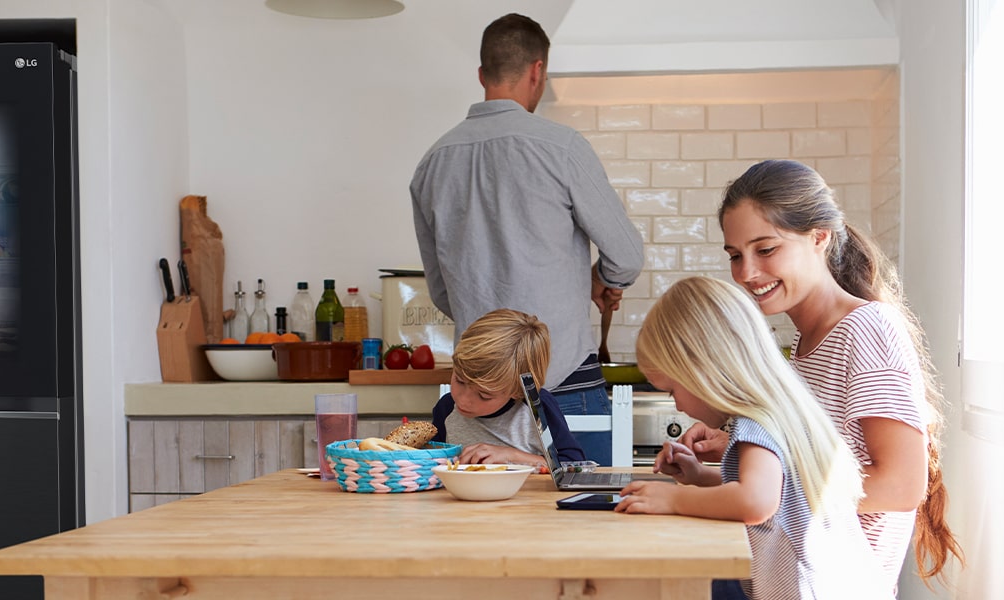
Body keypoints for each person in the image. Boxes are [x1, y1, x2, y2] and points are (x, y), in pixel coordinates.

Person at [683, 159, 963, 590]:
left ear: (819, 237)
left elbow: (902, 484)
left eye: (766, 249)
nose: (746, 273)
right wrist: (743, 457)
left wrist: (773, 486)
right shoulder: (808, 342)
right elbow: (826, 457)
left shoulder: (867, 329)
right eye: (736, 255)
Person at [409, 13, 644, 467]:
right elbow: (627, 258)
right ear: (538, 70)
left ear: (481, 75)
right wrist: (597, 279)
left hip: (476, 397)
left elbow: (442, 293)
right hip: (564, 385)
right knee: (577, 516)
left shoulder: (431, 163)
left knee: (469, 525)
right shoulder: (561, 147)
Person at [617, 277, 890, 599]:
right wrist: (701, 476)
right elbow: (783, 488)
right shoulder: (783, 406)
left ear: (704, 371)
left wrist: (672, 500)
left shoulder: (756, 423)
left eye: (673, 390)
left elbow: (756, 501)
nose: (676, 404)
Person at [430, 309, 584, 467]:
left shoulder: (537, 407)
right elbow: (431, 464)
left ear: (517, 392)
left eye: (484, 395)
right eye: (460, 381)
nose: (463, 400)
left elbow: (574, 466)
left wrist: (513, 456)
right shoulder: (447, 408)